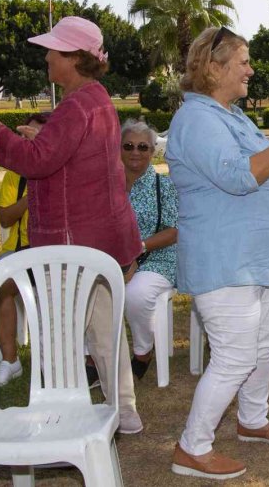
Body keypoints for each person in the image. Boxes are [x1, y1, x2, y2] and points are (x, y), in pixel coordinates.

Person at [167, 26, 269, 480]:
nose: (251, 69)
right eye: (243, 61)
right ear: (213, 67)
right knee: (236, 356)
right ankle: (192, 447)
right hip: (224, 260)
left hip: (253, 256)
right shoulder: (197, 120)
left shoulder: (232, 115)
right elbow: (238, 176)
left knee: (263, 344)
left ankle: (253, 420)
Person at [0, 16, 144, 435]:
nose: (45, 56)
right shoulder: (95, 99)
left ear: (74, 58)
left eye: (52, 50)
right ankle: (125, 410)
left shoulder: (77, 104)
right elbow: (59, 155)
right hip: (101, 243)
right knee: (104, 330)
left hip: (72, 248)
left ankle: (61, 421)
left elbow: (35, 162)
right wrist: (36, 137)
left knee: (60, 340)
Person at [0, 112, 49, 386]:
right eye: (27, 133)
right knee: (1, 285)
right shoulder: (15, 175)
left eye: (38, 135)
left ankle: (56, 359)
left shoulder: (62, 170)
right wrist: (32, 194)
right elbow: (5, 218)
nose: (31, 139)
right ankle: (10, 360)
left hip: (54, 250)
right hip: (21, 250)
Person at [120, 118, 178, 379]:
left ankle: (143, 351)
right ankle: (92, 357)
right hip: (113, 256)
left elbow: (176, 230)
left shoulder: (163, 185)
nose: (135, 152)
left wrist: (138, 249)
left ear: (153, 152)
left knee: (136, 293)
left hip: (157, 257)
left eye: (143, 147)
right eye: (128, 145)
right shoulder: (105, 185)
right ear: (118, 148)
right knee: (88, 288)